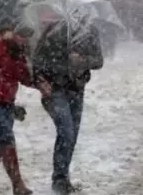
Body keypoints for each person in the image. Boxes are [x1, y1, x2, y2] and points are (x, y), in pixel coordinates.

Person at [0, 23, 49, 195]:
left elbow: (24, 77)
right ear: (13, 34)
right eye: (21, 37)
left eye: (26, 40)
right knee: (6, 139)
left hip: (6, 103)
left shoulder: (19, 56)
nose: (23, 42)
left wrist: (40, 85)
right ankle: (18, 184)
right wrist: (3, 39)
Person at [32, 17, 103, 194]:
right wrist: (42, 80)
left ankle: (63, 177)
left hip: (77, 90)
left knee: (72, 136)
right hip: (55, 89)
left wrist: (81, 60)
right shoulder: (53, 31)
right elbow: (38, 60)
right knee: (66, 131)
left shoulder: (90, 32)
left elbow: (98, 61)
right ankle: (59, 179)